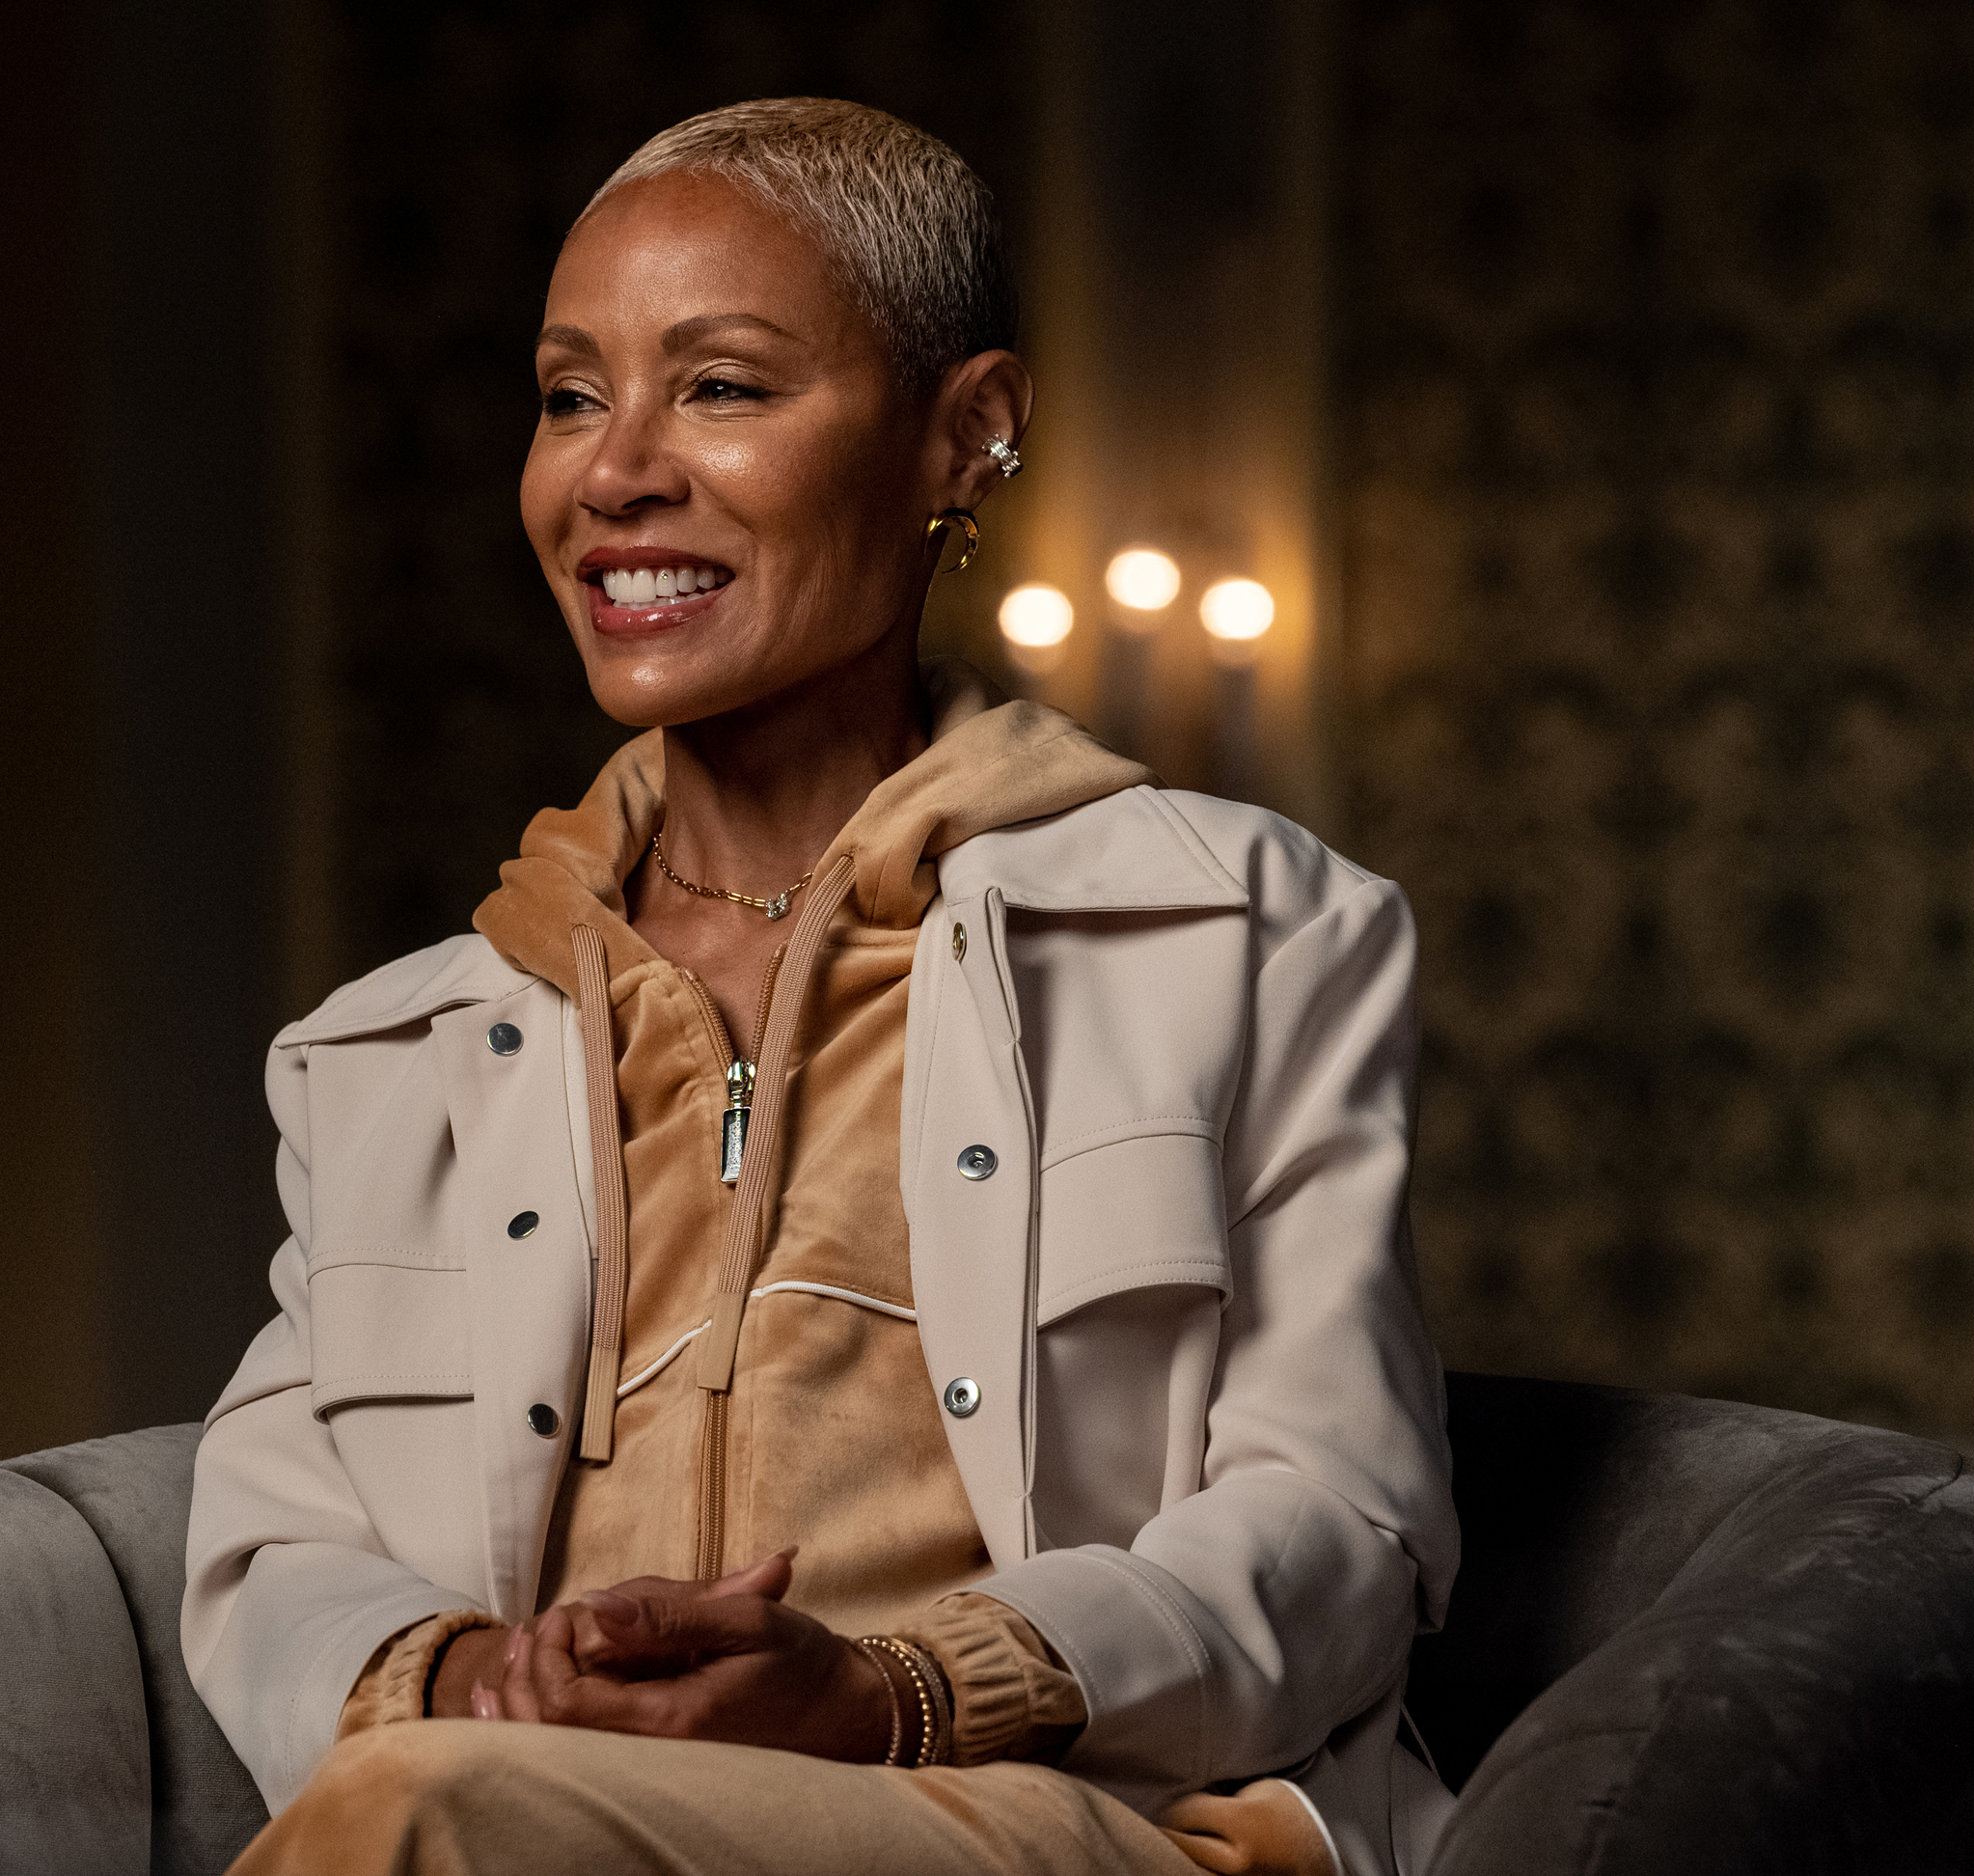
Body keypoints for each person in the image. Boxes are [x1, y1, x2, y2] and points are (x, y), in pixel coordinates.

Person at [181, 97, 1459, 1876]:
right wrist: (484, 1680)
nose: (611, 471)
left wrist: (891, 1691)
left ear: (968, 436)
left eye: (720, 387)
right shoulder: (387, 1051)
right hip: (533, 1819)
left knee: (406, 1821)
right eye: (568, 396)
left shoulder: (1248, 931)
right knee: (430, 1797)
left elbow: (1344, 1524)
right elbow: (268, 1542)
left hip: (1084, 1827)